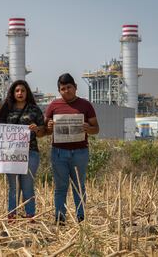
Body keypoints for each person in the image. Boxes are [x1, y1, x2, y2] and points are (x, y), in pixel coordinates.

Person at [45, 73, 99, 224]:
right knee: (60, 186)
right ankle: (59, 218)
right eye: (63, 88)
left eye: (69, 87)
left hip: (80, 151)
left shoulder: (86, 105)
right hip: (58, 152)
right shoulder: (53, 105)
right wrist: (48, 126)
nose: (66, 91)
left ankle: (81, 217)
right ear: (59, 90)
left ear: (75, 87)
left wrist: (89, 127)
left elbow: (97, 129)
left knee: (79, 186)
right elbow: (45, 130)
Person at [0, 80, 46, 222]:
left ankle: (30, 215)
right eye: (17, 91)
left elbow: (42, 132)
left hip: (30, 152)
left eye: (23, 91)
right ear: (13, 93)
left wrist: (36, 129)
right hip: (10, 154)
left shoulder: (34, 110)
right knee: (12, 186)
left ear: (27, 93)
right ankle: (11, 215)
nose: (20, 93)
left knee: (27, 185)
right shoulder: (6, 109)